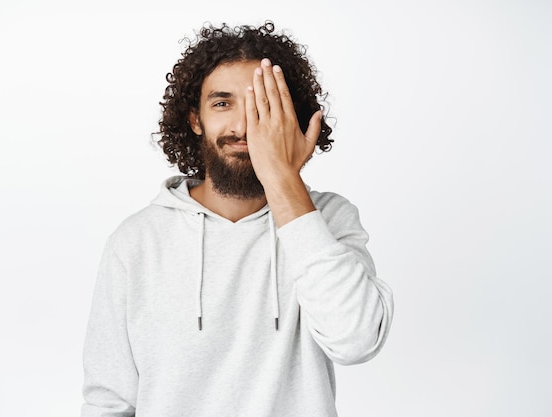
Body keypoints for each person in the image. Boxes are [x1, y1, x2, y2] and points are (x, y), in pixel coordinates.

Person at [81, 21, 394, 417]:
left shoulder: (327, 219)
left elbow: (357, 341)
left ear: (288, 119)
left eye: (262, 108)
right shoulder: (137, 241)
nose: (243, 126)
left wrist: (283, 180)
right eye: (222, 104)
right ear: (195, 119)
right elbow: (109, 401)